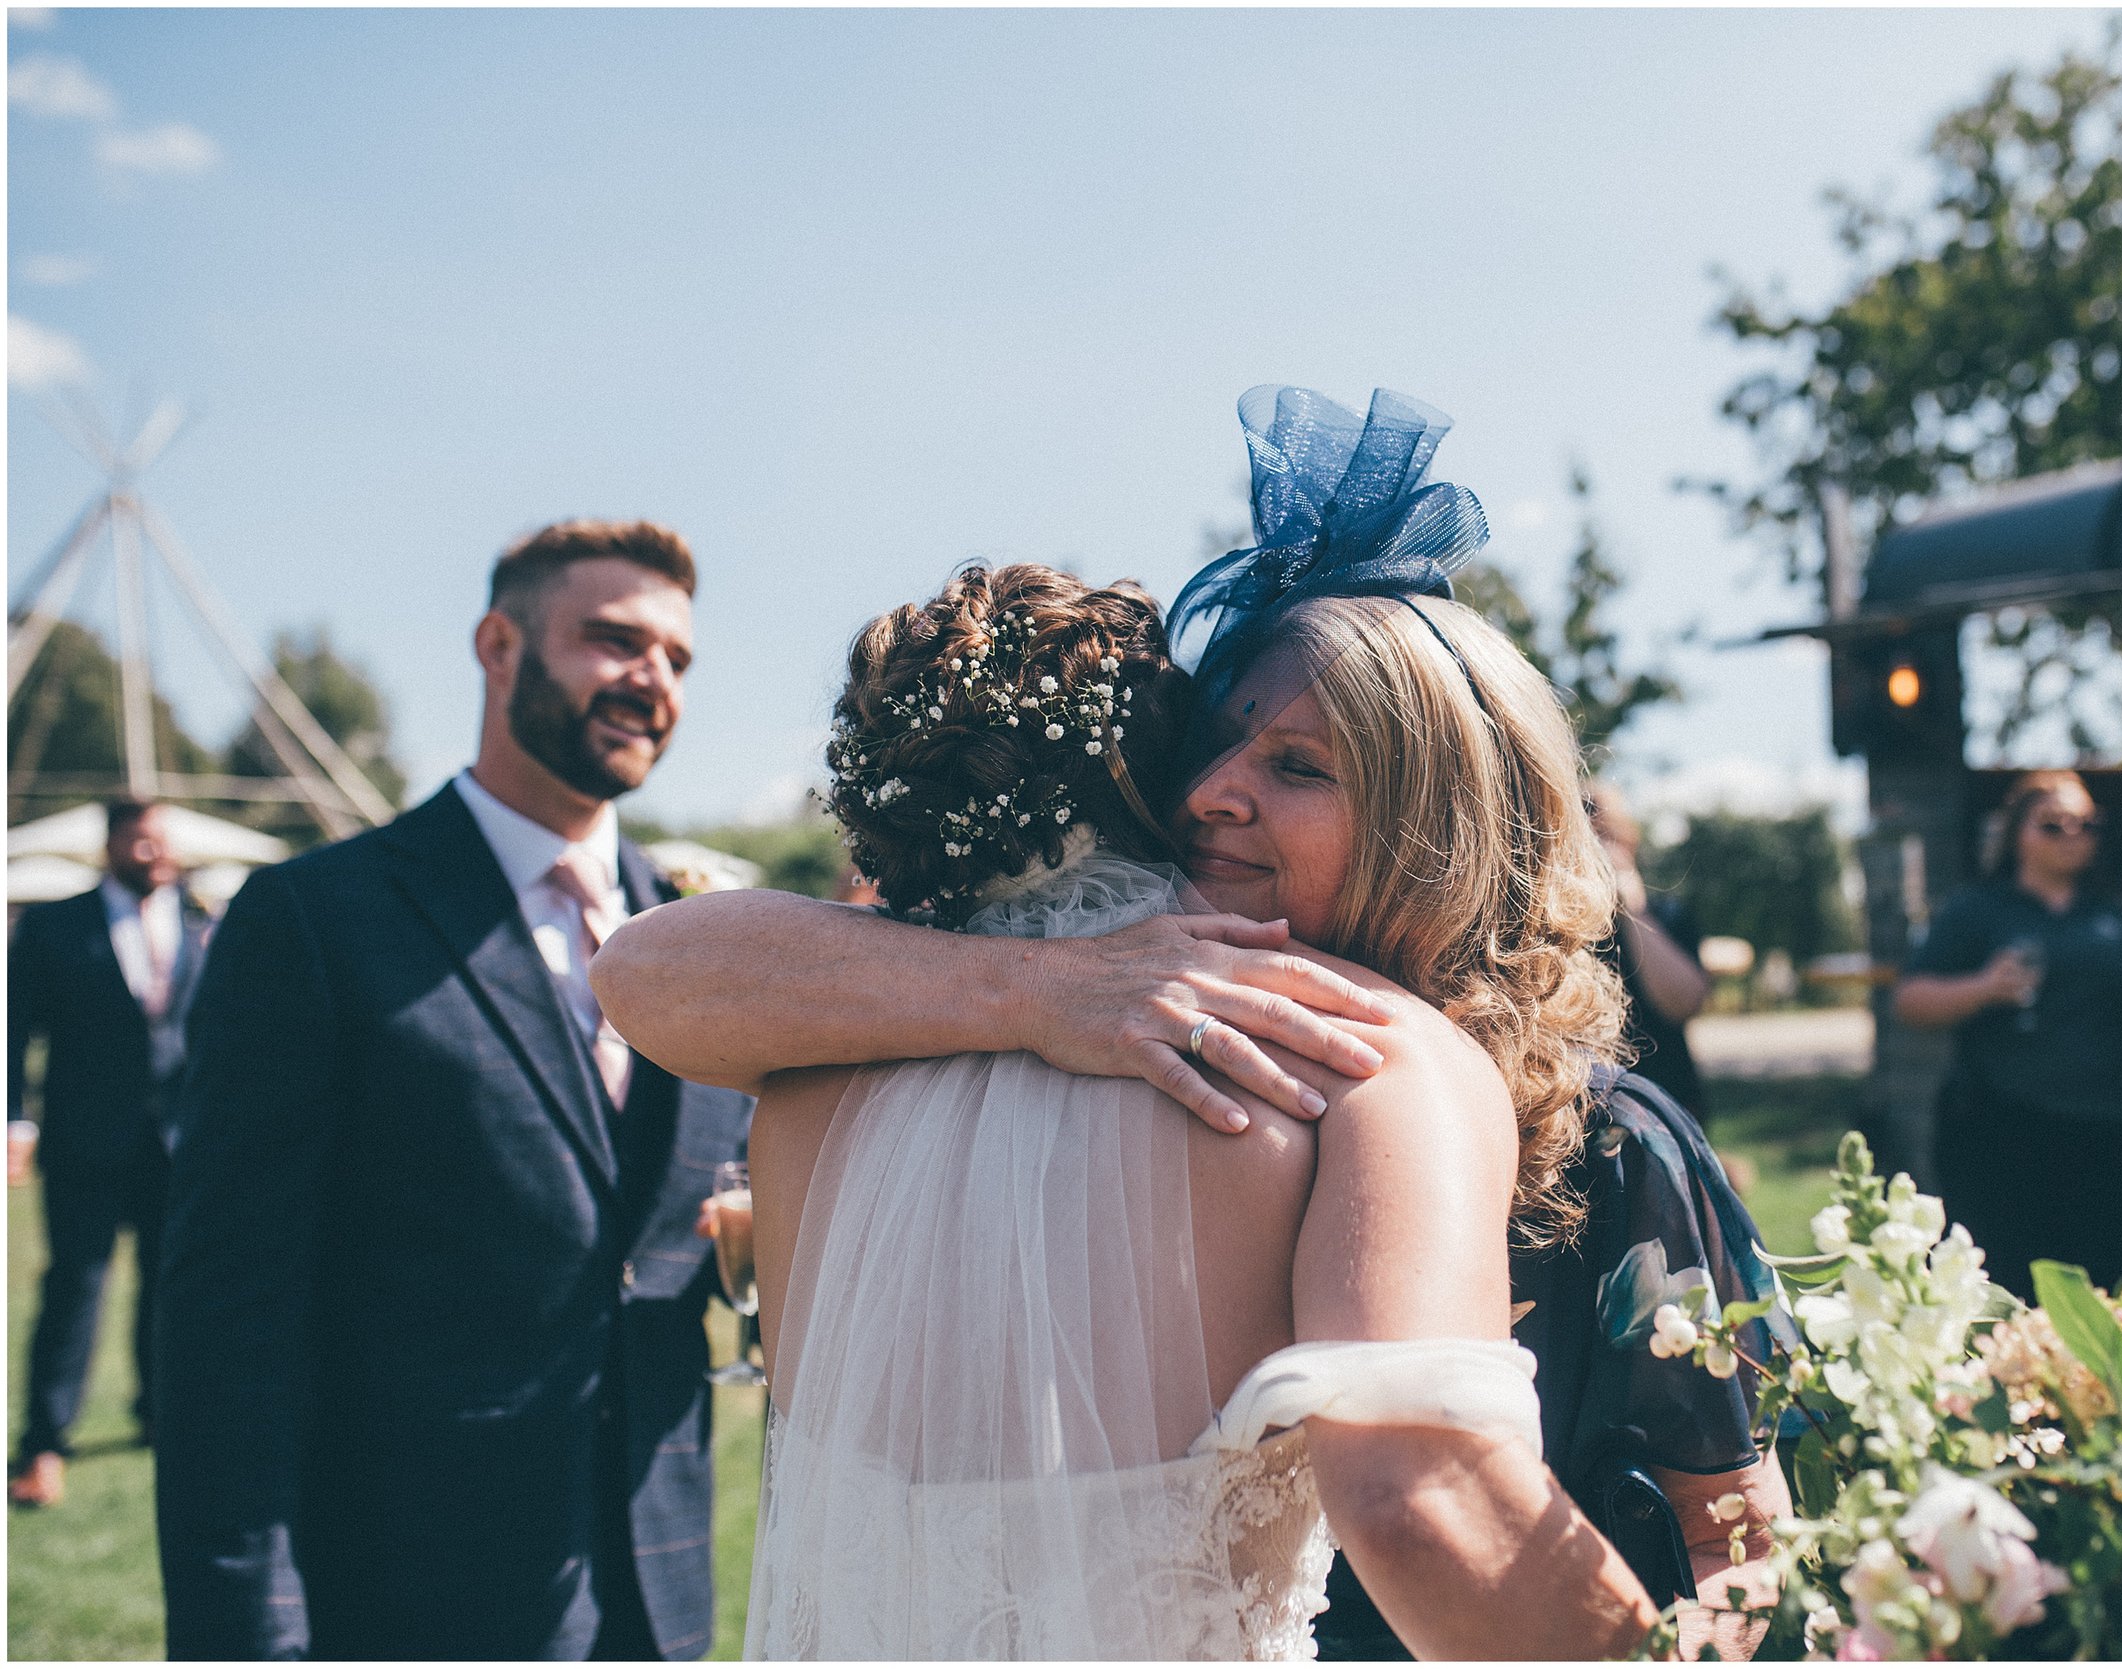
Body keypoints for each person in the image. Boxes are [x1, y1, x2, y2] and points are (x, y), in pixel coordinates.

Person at [598, 388, 1785, 1656]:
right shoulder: (1083, 1031)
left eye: (1298, 766)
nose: (1215, 794)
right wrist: (1044, 991)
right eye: (1214, 746)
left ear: (1435, 828)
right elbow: (651, 970)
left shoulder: (1610, 1143)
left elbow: (1730, 1538)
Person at [152, 520, 755, 1660]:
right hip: (404, 1596)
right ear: (498, 644)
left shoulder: (714, 939)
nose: (653, 680)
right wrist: (245, 1630)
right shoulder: (316, 924)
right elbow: (228, 1329)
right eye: (614, 640)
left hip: (660, 1600)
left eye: (677, 659)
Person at [1893, 769, 2122, 1299]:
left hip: (2111, 1133)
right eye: (2053, 824)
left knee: (2113, 1292)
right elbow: (1910, 1000)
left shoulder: (2115, 918)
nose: (2073, 836)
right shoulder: (1979, 909)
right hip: (2007, 1132)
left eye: (2086, 825)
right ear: (2016, 835)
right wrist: (1983, 987)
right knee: (2013, 1293)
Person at [7, 799, 213, 1509]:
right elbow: (12, 1030)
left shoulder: (202, 922)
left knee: (172, 1285)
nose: (155, 852)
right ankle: (43, 1443)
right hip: (84, 1142)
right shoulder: (55, 924)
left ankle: (161, 1412)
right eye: (141, 840)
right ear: (113, 845)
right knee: (75, 1289)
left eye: (163, 840)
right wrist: (14, 1120)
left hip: (180, 1143)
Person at [1584, 779, 1713, 1125]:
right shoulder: (1551, 926)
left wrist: (1634, 912)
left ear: (1629, 839)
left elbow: (1685, 1002)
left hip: (1665, 1111)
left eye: (1605, 834)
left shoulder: (1668, 915)